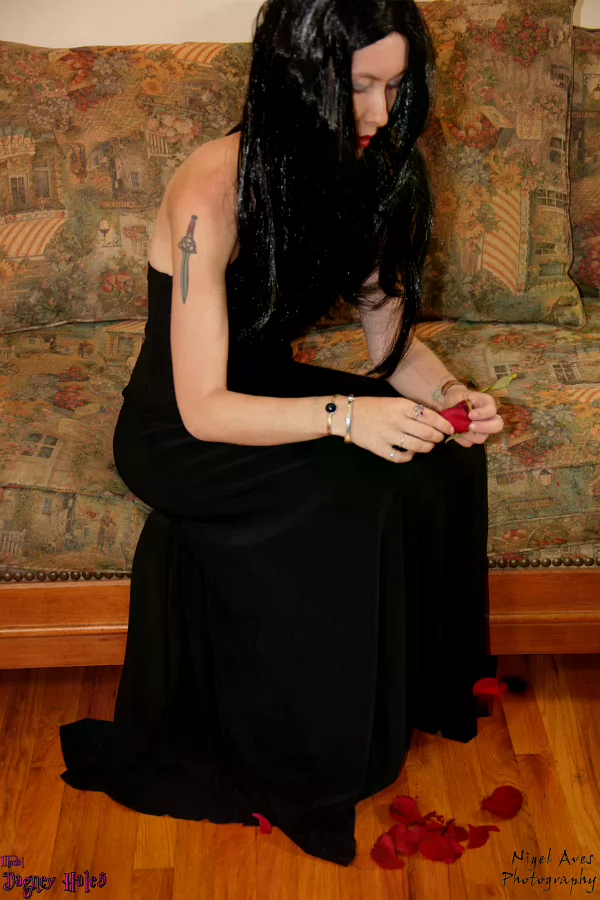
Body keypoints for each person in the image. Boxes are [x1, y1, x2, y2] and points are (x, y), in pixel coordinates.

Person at [59, 0, 504, 868]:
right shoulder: (211, 190)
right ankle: (304, 750)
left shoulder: (361, 169)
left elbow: (389, 342)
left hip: (266, 392)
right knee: (349, 495)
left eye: (395, 88)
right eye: (360, 87)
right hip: (183, 430)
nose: (379, 113)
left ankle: (403, 699)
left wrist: (454, 396)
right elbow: (202, 409)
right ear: (301, 78)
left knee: (437, 457)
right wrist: (348, 418)